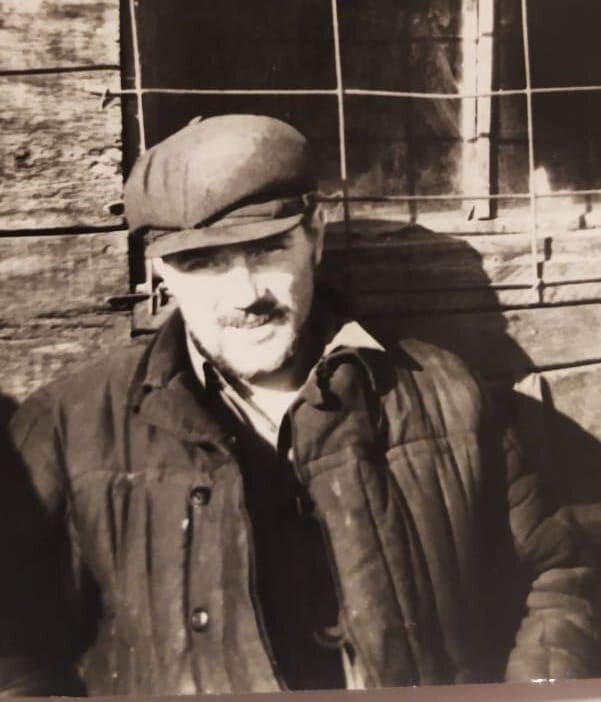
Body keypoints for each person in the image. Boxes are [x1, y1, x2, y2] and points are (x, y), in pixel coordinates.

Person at [0, 115, 598, 696]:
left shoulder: (447, 394)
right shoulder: (64, 431)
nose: (245, 294)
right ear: (162, 270)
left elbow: (559, 575)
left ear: (315, 235)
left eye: (266, 248)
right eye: (202, 262)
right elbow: (13, 647)